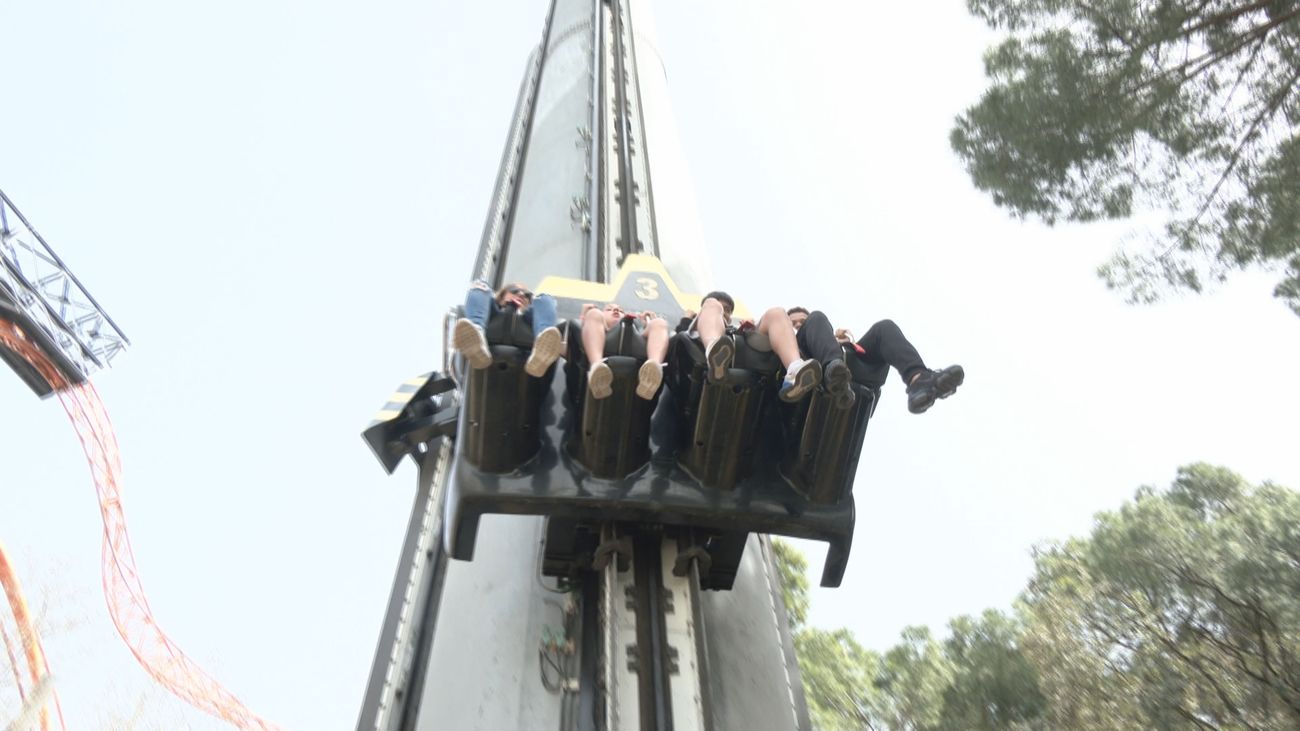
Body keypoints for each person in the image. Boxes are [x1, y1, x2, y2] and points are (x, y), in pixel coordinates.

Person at [787, 307, 963, 413]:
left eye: (803, 321)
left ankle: (919, 380)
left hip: (848, 367)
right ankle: (834, 373)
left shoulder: (827, 338)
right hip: (809, 365)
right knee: (817, 316)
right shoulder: (790, 343)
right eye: (793, 324)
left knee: (884, 328)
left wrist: (841, 342)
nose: (799, 325)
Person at [681, 291, 822, 402]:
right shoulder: (701, 317)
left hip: (743, 346)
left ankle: (794, 371)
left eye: (727, 310)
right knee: (712, 304)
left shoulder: (734, 326)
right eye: (720, 307)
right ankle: (714, 351)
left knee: (776, 312)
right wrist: (687, 319)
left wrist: (749, 328)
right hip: (705, 342)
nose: (723, 311)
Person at [452, 280, 563, 377]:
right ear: (502, 295)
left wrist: (526, 308)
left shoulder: (532, 315)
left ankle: (543, 345)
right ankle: (476, 336)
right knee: (481, 286)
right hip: (489, 320)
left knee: (545, 297)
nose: (521, 294)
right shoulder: (491, 310)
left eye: (527, 295)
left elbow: (539, 305)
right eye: (514, 290)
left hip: (530, 335)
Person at [580, 301, 669, 400]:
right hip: (601, 345)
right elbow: (587, 326)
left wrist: (648, 322)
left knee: (659, 322)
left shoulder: (636, 329)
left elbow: (653, 331)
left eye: (621, 311)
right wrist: (586, 315)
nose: (616, 310)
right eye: (609, 309)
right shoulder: (595, 323)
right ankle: (597, 368)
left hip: (638, 348)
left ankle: (653, 369)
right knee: (593, 313)